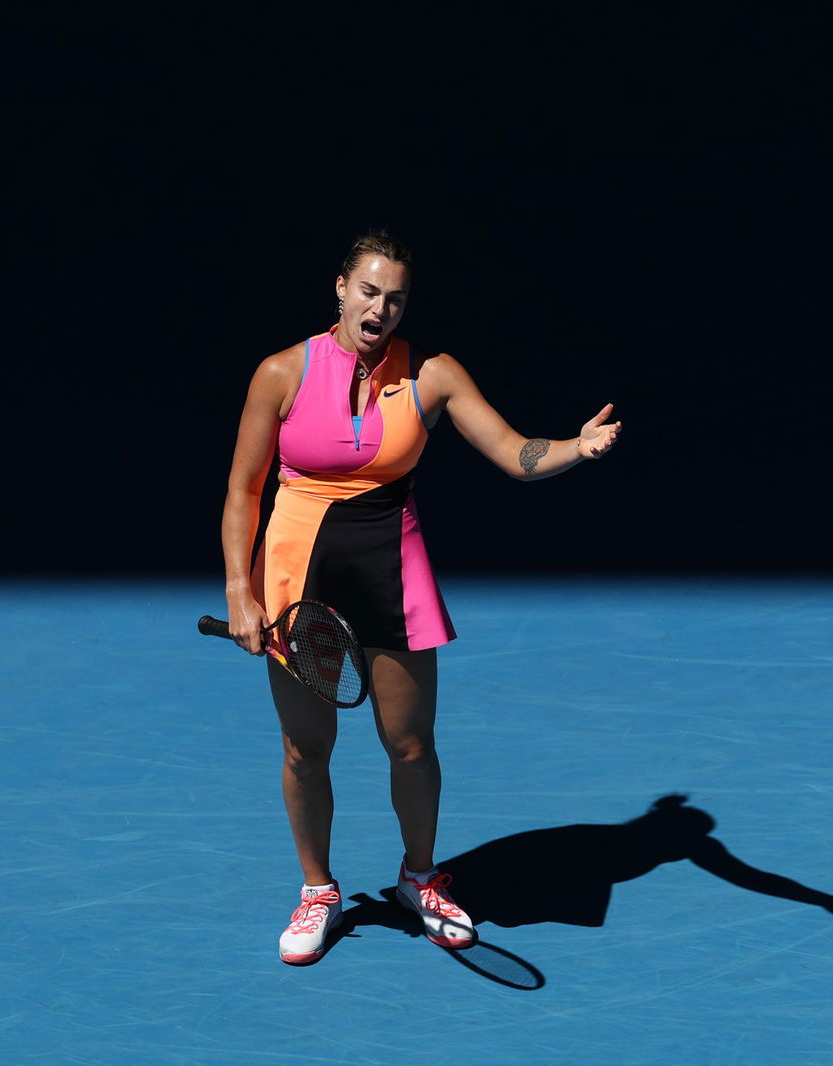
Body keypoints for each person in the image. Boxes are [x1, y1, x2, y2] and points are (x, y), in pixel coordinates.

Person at [218, 231, 622, 965]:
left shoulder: (432, 375)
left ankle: (419, 878)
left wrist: (574, 448)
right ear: (340, 287)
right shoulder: (280, 372)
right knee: (305, 750)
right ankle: (318, 891)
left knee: (410, 745)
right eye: (368, 291)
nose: (380, 308)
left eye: (395, 298)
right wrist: (240, 593)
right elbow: (244, 491)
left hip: (391, 577)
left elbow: (512, 451)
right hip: (296, 580)